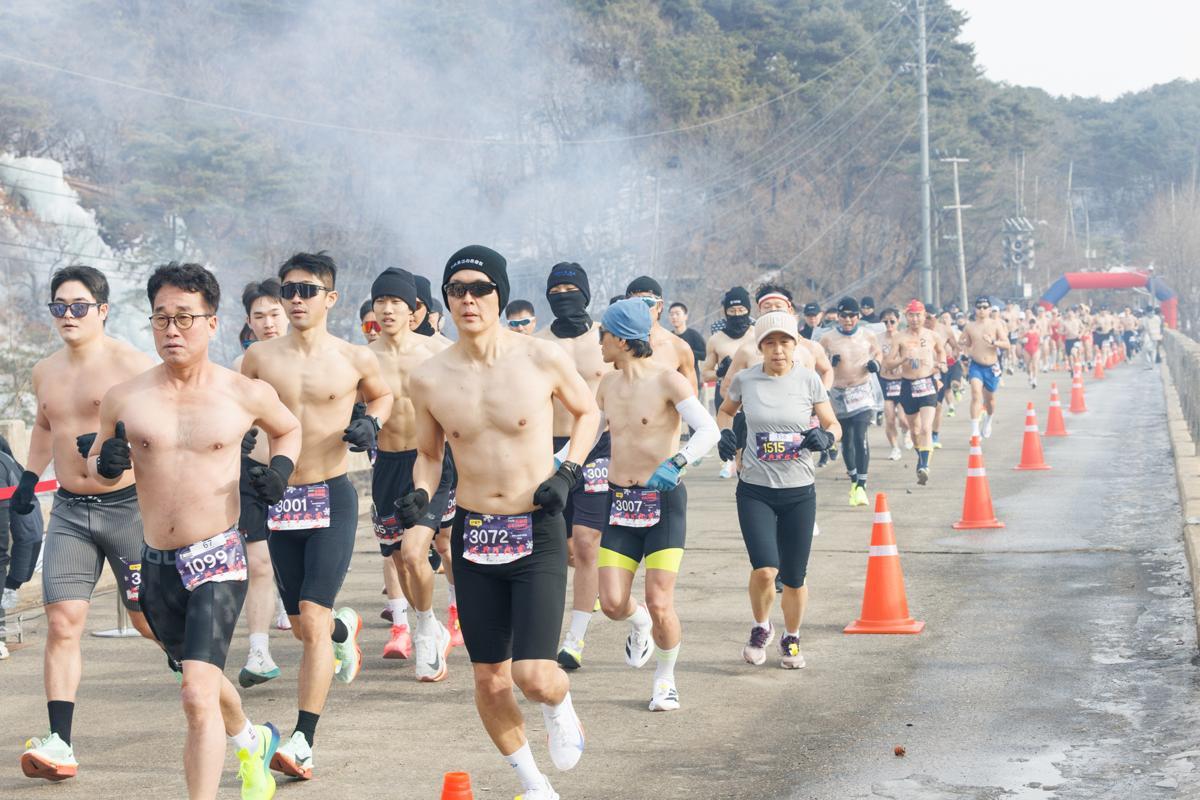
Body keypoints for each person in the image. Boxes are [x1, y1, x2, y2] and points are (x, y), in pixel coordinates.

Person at [88, 262, 302, 799]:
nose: (172, 330)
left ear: (211, 322)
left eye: (185, 317)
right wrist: (108, 462)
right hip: (156, 562)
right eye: (161, 318)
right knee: (199, 678)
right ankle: (250, 738)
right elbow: (95, 458)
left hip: (218, 558)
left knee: (194, 694)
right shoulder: (125, 396)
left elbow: (289, 428)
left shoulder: (243, 392)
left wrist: (279, 472)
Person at [405, 245, 600, 800]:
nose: (469, 299)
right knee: (490, 678)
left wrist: (567, 473)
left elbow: (588, 412)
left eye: (481, 288)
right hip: (473, 535)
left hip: (536, 526)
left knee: (534, 675)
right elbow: (429, 455)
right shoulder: (429, 378)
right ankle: (533, 782)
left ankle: (560, 704)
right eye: (458, 289)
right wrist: (419, 499)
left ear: (499, 293)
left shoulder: (540, 358)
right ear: (444, 299)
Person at [240, 251, 394, 779]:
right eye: (289, 291)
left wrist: (372, 422)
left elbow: (384, 395)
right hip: (280, 498)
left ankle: (303, 739)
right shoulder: (260, 358)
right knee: (308, 625)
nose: (297, 300)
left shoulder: (355, 358)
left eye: (308, 290)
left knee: (312, 607)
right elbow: (244, 415)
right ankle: (339, 633)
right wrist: (243, 462)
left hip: (331, 495)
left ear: (330, 298)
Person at [14, 265, 159, 781]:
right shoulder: (44, 370)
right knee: (61, 621)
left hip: (127, 509)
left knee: (148, 621)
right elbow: (44, 425)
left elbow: (162, 434)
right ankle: (60, 743)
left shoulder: (133, 365)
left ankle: (200, 678)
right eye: (59, 306)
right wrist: (30, 479)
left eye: (79, 306)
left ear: (102, 310)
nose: (68, 316)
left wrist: (126, 454)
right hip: (71, 511)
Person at [595, 299, 718, 711]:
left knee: (661, 600)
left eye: (604, 336)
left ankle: (665, 680)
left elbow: (709, 431)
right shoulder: (607, 385)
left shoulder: (669, 381)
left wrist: (679, 461)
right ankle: (639, 622)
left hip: (662, 501)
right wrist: (561, 467)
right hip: (619, 503)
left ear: (622, 340)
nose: (599, 344)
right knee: (612, 603)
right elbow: (592, 435)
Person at [717, 311, 840, 668]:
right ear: (760, 348)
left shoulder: (809, 381)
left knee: (795, 576)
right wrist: (725, 433)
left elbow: (833, 424)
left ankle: (792, 637)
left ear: (795, 345)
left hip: (799, 491)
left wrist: (826, 436)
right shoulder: (745, 379)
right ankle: (761, 627)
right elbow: (726, 411)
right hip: (756, 489)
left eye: (785, 342)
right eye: (769, 343)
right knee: (765, 569)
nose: (778, 350)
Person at [367, 267, 458, 678]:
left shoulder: (435, 354)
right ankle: (430, 622)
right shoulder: (363, 358)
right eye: (381, 301)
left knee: (416, 550)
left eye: (396, 303)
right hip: (387, 464)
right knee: (401, 561)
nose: (387, 309)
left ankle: (425, 632)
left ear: (414, 310)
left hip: (433, 462)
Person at [537, 262, 613, 672]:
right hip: (549, 451)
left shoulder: (605, 337)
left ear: (584, 293)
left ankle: (575, 639)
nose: (563, 295)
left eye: (571, 288)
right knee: (561, 549)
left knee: (586, 543)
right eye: (556, 289)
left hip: (596, 449)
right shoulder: (538, 343)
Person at [233, 279, 291, 687]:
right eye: (259, 316)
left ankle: (337, 632)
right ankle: (258, 651)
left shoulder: (317, 361)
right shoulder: (239, 369)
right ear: (248, 322)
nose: (268, 323)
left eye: (275, 313)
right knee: (258, 564)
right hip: (253, 477)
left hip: (303, 481)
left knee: (297, 579)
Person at [820, 298, 881, 507]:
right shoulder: (828, 338)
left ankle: (862, 485)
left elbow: (878, 352)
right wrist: (829, 363)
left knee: (861, 435)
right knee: (846, 439)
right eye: (844, 315)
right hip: (838, 393)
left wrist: (875, 364)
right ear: (838, 316)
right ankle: (854, 480)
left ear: (858, 316)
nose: (848, 319)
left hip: (862, 390)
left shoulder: (868, 335)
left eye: (852, 315)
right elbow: (817, 363)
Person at [883, 300, 944, 485]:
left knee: (926, 428)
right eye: (911, 315)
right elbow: (887, 364)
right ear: (906, 317)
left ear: (924, 315)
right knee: (914, 430)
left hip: (927, 385)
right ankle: (922, 458)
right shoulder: (899, 338)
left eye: (918, 315)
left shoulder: (933, 335)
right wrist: (903, 359)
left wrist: (941, 366)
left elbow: (941, 353)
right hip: (908, 386)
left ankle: (924, 466)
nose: (915, 319)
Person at [701, 287, 753, 478]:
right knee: (736, 445)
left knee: (752, 442)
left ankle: (750, 477)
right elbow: (705, 375)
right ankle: (740, 473)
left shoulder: (757, 335)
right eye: (732, 311)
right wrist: (720, 371)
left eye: (741, 311)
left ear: (748, 310)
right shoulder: (716, 340)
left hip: (753, 395)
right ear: (725, 313)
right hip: (727, 397)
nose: (737, 315)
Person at [624, 276, 698, 389]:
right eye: (634, 302)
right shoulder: (616, 345)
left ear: (659, 306)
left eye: (647, 302)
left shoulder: (679, 347)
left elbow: (692, 399)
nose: (640, 307)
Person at [959, 296, 1010, 440]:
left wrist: (994, 342)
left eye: (985, 307)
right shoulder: (970, 326)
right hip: (976, 365)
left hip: (991, 366)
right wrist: (961, 342)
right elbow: (966, 342)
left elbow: (1007, 344)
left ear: (989, 309)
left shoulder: (996, 324)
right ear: (975, 309)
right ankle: (975, 431)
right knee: (975, 394)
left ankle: (988, 421)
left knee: (990, 401)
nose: (981, 310)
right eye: (979, 307)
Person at [877, 308, 910, 459]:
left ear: (898, 321)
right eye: (885, 322)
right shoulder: (877, 339)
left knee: (903, 418)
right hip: (885, 382)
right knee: (889, 418)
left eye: (892, 321)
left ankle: (906, 431)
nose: (888, 324)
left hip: (901, 382)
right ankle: (895, 447)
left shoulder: (903, 338)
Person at [667, 301, 706, 392]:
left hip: (691, 380)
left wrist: (685, 352)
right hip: (672, 381)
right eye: (671, 314)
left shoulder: (694, 335)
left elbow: (703, 355)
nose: (674, 317)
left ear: (685, 316)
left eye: (677, 314)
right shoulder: (668, 336)